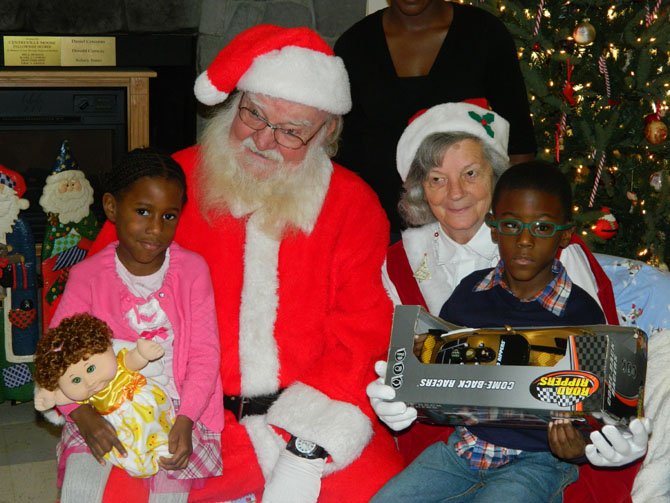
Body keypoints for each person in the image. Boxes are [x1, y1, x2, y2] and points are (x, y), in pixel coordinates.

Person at [85, 24, 404, 503]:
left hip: (310, 419)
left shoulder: (352, 206)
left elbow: (365, 336)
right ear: (235, 102)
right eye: (253, 115)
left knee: (386, 495)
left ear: (326, 133)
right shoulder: (170, 183)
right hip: (183, 418)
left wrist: (305, 450)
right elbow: (96, 292)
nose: (263, 139)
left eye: (291, 131)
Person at [367, 101, 649, 502]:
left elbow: (601, 394)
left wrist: (592, 440)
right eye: (436, 179)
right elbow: (428, 365)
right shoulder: (455, 284)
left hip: (538, 457)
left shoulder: (577, 301)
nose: (456, 193)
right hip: (462, 447)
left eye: (470, 174)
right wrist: (400, 390)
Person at [49, 147, 223, 503]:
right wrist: (81, 415)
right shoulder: (87, 277)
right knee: (80, 488)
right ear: (112, 207)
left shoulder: (193, 271)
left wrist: (187, 418)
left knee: (169, 487)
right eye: (143, 212)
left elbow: (205, 355)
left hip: (177, 408)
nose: (156, 229)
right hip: (101, 403)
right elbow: (56, 353)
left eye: (169, 216)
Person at [334, 0, 536, 237]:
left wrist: (506, 218)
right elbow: (343, 155)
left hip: (467, 222)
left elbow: (519, 143)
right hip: (379, 226)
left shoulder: (483, 33)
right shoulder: (355, 45)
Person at [34, 313, 175, 479]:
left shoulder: (119, 364)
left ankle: (163, 451)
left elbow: (132, 359)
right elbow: (65, 395)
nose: (89, 382)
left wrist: (142, 354)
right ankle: (142, 463)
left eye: (91, 369)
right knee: (131, 454)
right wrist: (51, 396)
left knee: (165, 438)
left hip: (154, 408)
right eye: (77, 380)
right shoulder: (85, 394)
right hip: (125, 426)